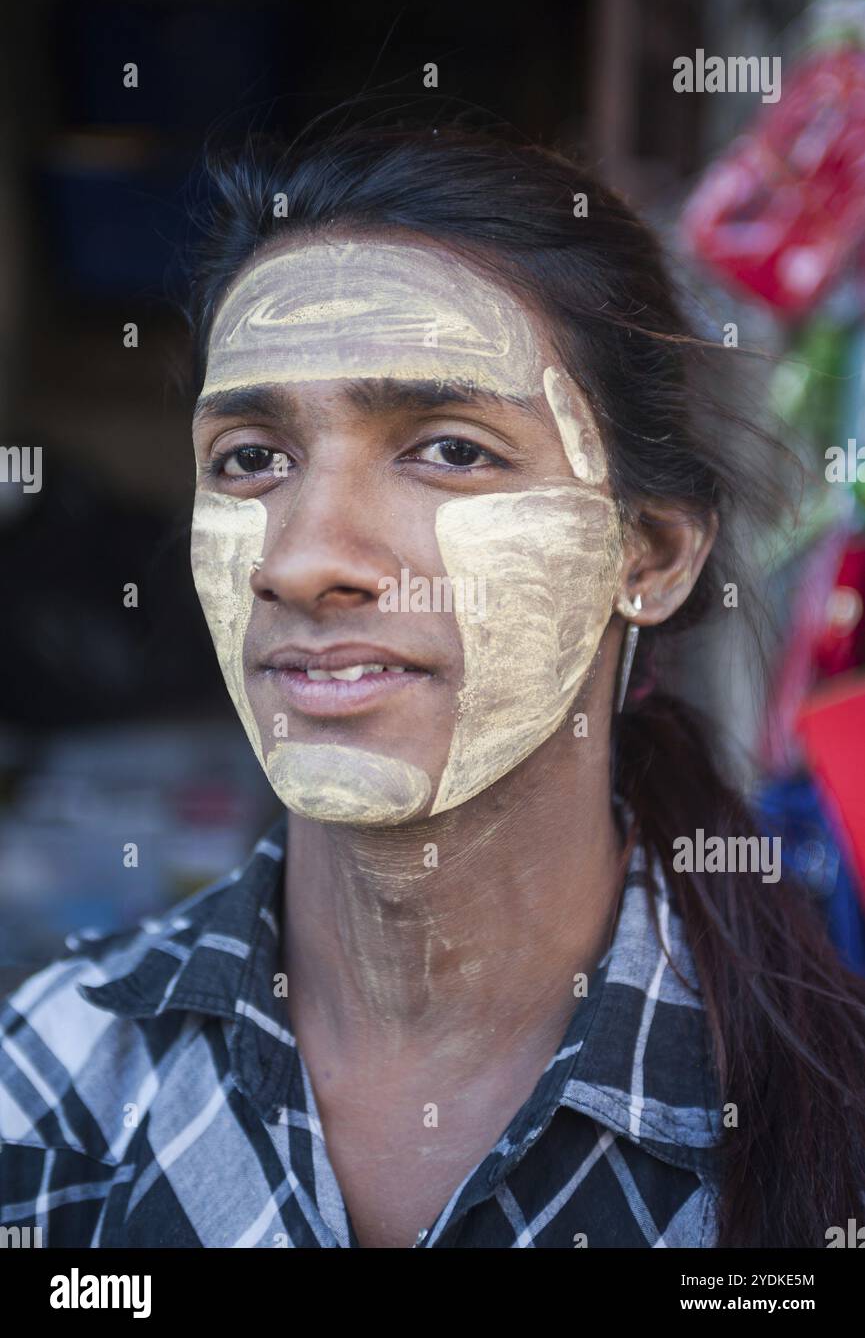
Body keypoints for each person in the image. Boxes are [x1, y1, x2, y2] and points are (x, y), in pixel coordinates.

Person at [2, 116, 865, 1249]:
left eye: (450, 448)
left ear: (647, 553)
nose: (303, 556)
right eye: (251, 457)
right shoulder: (44, 1086)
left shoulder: (814, 1125)